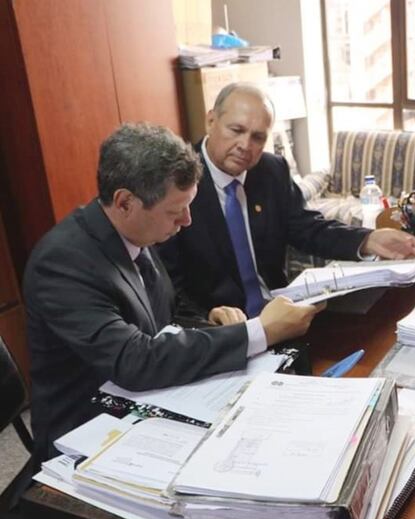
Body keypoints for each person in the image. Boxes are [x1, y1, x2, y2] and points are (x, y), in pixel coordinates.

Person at [24, 123, 321, 463]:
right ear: (125, 202)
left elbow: (163, 310)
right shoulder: (63, 263)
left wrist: (204, 320)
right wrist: (261, 331)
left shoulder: (137, 231)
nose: (187, 220)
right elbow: (134, 360)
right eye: (175, 210)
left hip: (148, 401)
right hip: (86, 432)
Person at [157, 83, 415, 320]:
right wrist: (206, 319)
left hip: (282, 315)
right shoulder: (176, 182)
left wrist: (368, 240)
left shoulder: (271, 170)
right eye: (236, 130)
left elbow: (307, 228)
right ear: (210, 121)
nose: (245, 145)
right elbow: (167, 282)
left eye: (258, 137)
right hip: (222, 330)